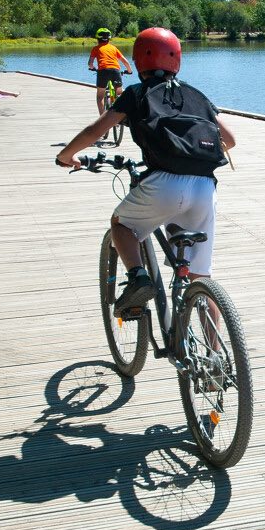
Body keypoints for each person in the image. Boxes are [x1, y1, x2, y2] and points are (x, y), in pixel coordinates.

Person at [57, 27, 236, 316]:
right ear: (177, 59)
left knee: (121, 225)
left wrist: (67, 155)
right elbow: (230, 140)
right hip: (205, 187)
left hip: (164, 184)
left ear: (138, 60)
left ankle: (139, 277)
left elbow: (97, 129)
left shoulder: (136, 93)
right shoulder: (196, 95)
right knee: (200, 278)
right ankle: (217, 356)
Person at [87, 28, 132, 116]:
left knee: (100, 96)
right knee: (119, 93)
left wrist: (92, 68)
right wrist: (129, 71)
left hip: (102, 71)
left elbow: (90, 63)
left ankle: (102, 119)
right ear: (109, 38)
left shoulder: (95, 48)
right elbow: (125, 61)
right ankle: (120, 116)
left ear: (97, 38)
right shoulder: (114, 48)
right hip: (116, 71)